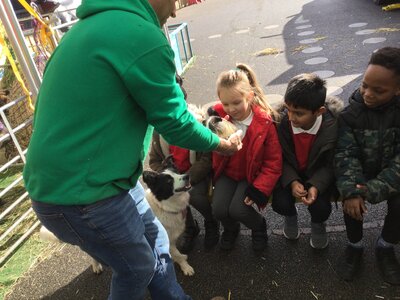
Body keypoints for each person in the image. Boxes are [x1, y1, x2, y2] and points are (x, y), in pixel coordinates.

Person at [22, 0, 241, 299]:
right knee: (137, 268)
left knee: (156, 238)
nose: (176, 11)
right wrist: (221, 145)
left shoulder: (82, 31)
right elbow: (174, 122)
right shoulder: (142, 35)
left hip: (80, 183)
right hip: (87, 193)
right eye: (175, 1)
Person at [335, 47, 400, 285]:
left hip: (391, 175)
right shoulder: (349, 115)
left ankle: (386, 246)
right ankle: (355, 245)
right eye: (364, 85)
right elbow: (345, 155)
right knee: (351, 204)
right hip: (359, 174)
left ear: (398, 89)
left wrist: (369, 191)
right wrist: (353, 191)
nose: (367, 94)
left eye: (378, 90)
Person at [210, 63, 282, 252]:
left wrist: (259, 188)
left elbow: (273, 163)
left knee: (238, 209)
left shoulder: (264, 123)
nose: (231, 109)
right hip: (227, 172)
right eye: (225, 104)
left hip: (251, 175)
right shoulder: (218, 117)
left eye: (236, 103)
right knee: (218, 209)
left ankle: (259, 227)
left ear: (249, 97)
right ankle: (231, 229)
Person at [149, 75, 220, 253]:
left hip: (195, 175)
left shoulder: (197, 124)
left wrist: (187, 178)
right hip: (174, 179)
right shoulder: (159, 132)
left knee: (194, 196)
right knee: (170, 197)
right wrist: (167, 176)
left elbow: (206, 159)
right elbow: (154, 160)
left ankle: (210, 221)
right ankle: (190, 227)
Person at [272, 73, 343, 249]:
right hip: (290, 172)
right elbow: (279, 156)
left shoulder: (333, 127)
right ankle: (290, 215)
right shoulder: (281, 123)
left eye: (298, 113)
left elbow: (330, 163)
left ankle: (318, 224)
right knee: (280, 203)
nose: (291, 117)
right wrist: (292, 181)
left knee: (320, 208)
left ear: (319, 111)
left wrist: (316, 185)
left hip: (318, 174)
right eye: (288, 109)